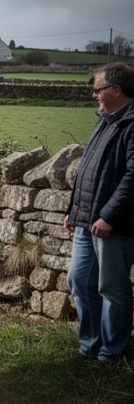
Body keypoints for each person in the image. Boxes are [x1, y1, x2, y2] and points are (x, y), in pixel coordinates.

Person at [65, 63, 134, 365]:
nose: (94, 95)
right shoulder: (105, 120)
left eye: (98, 89)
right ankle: (90, 346)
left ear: (116, 90)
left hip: (114, 225)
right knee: (79, 280)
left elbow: (133, 176)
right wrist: (74, 210)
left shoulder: (131, 124)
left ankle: (111, 354)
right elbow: (87, 171)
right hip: (86, 220)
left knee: (112, 289)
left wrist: (109, 216)